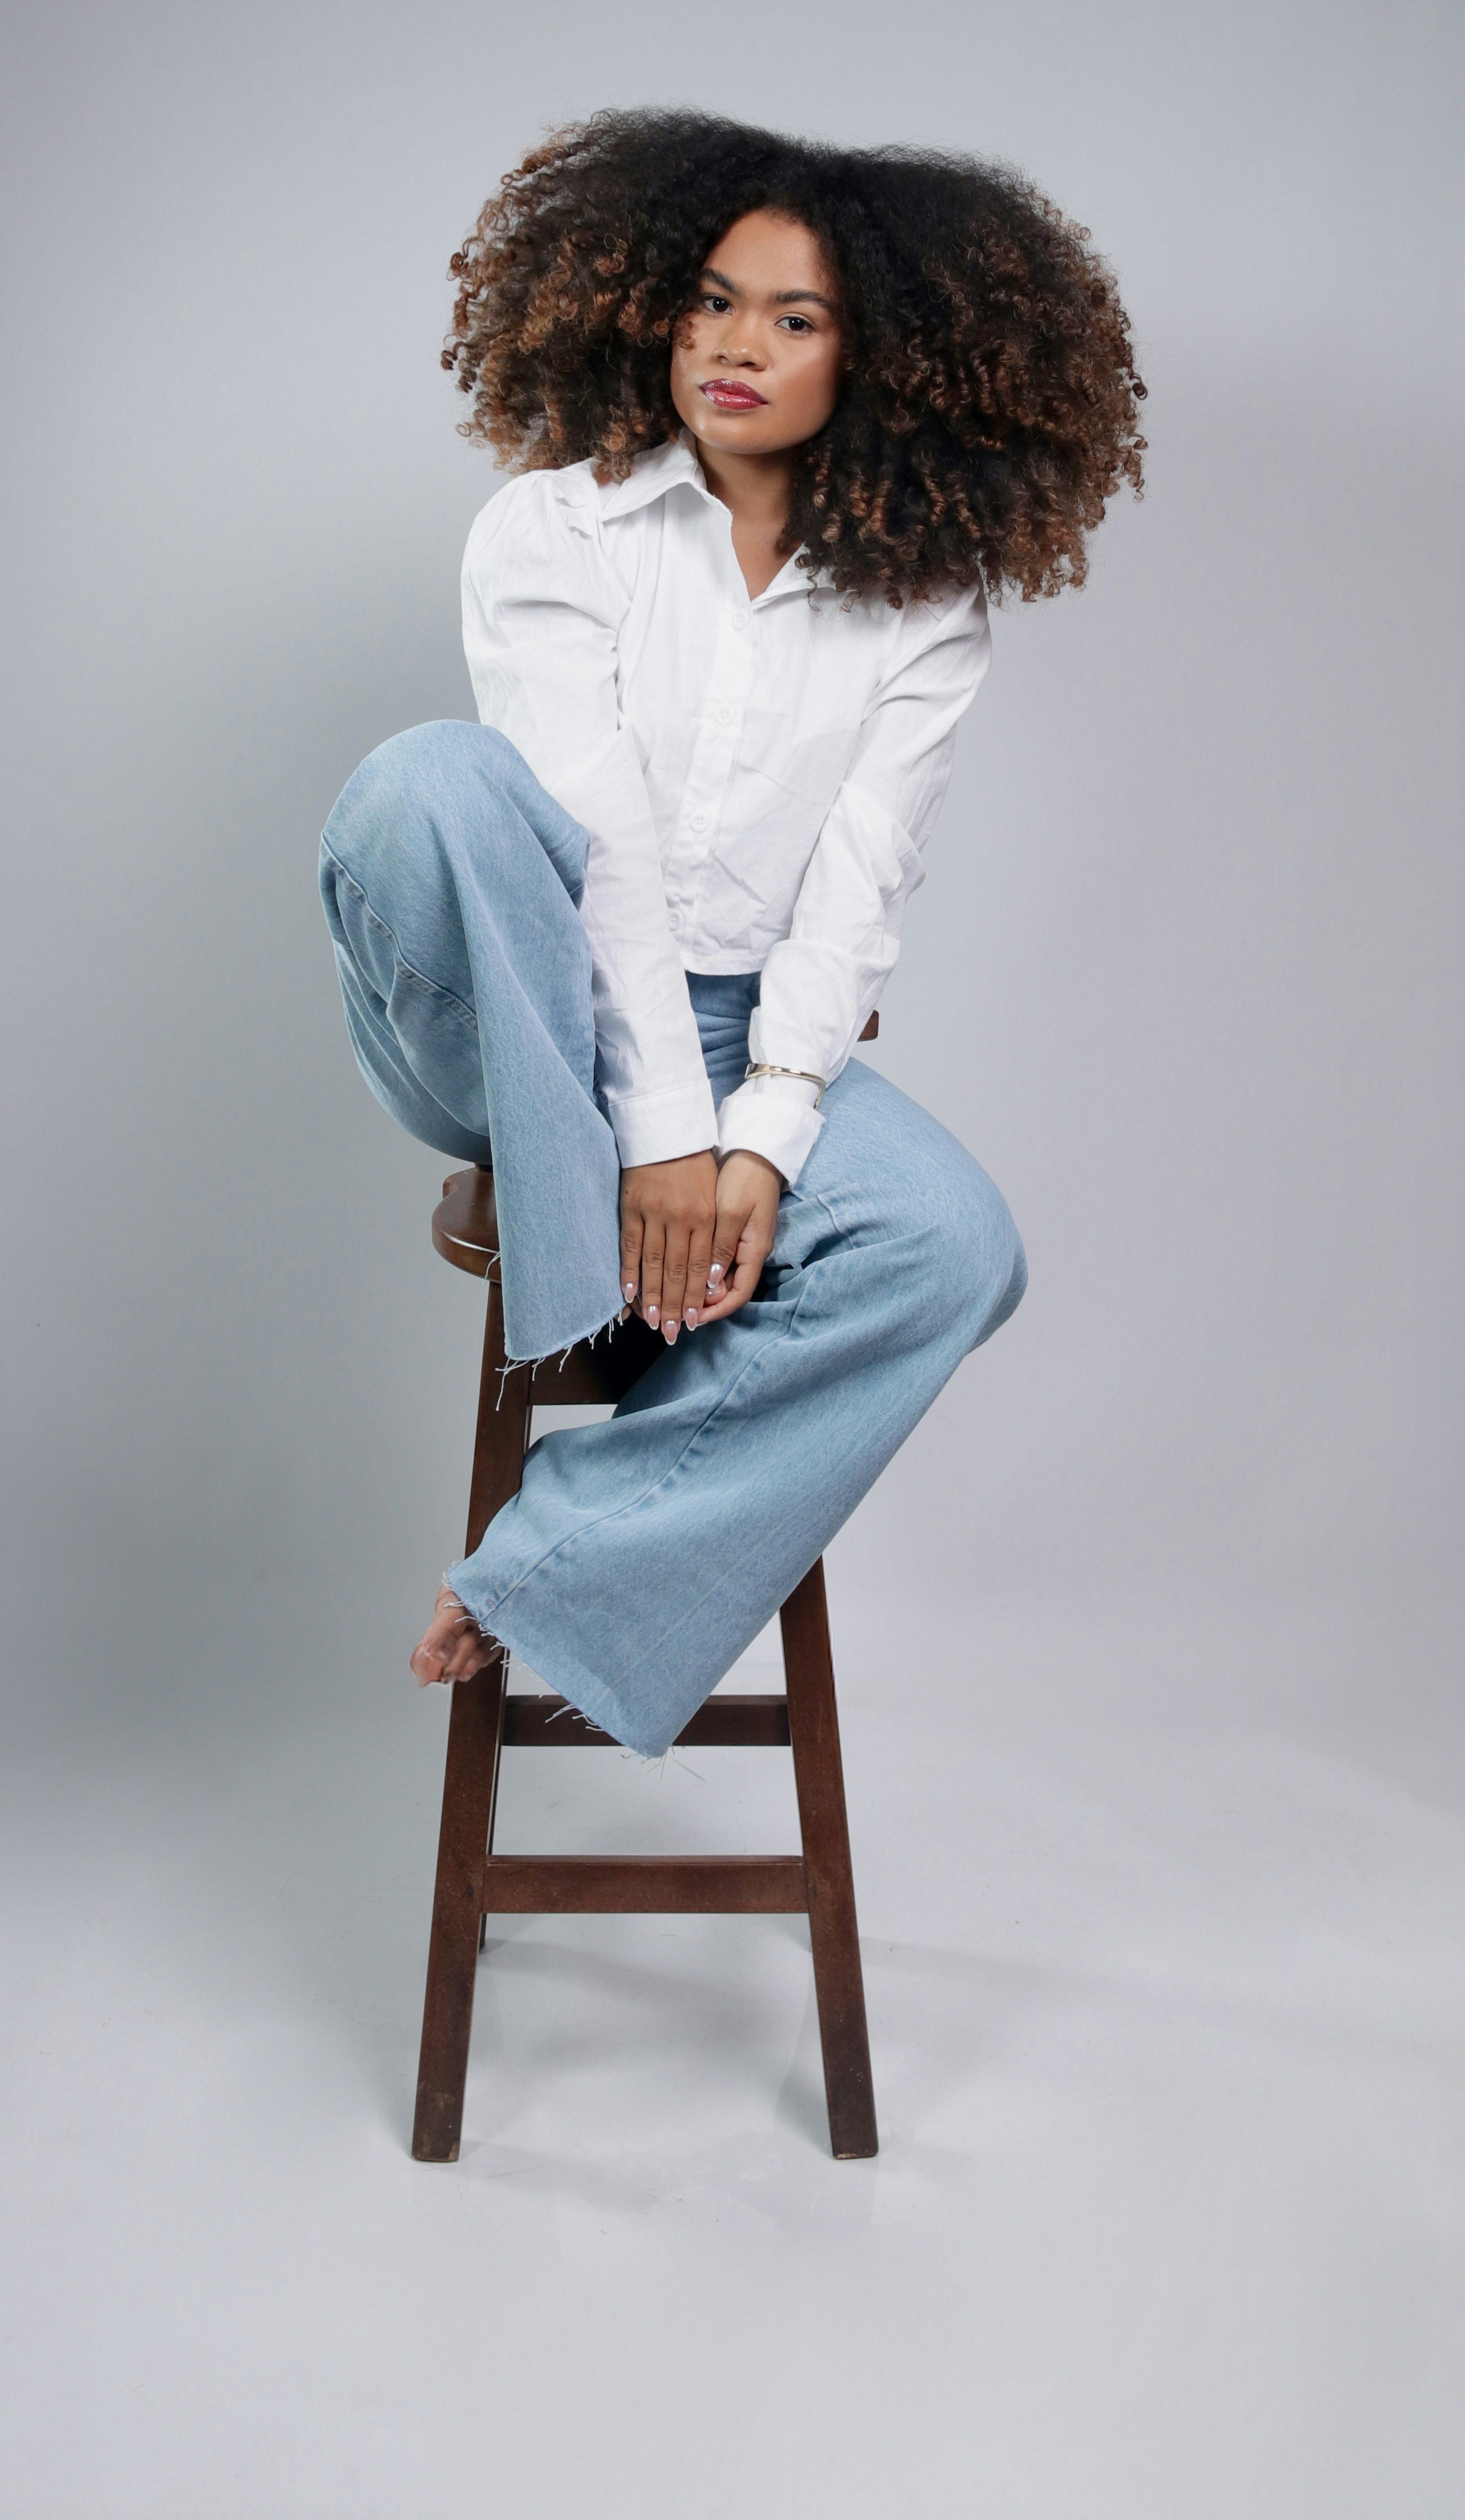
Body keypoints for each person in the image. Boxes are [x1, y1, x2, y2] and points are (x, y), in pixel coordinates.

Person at [319, 110, 1144, 1757]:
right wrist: (657, 1153)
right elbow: (603, 859)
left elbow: (862, 887)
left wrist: (756, 1144)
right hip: (518, 1013)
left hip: (733, 1025)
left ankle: (548, 1570)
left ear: (887, 360)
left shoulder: (924, 596)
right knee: (433, 786)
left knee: (955, 1248)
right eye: (710, 299)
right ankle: (605, 1239)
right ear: (651, 308)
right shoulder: (556, 530)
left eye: (795, 317)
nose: (734, 346)